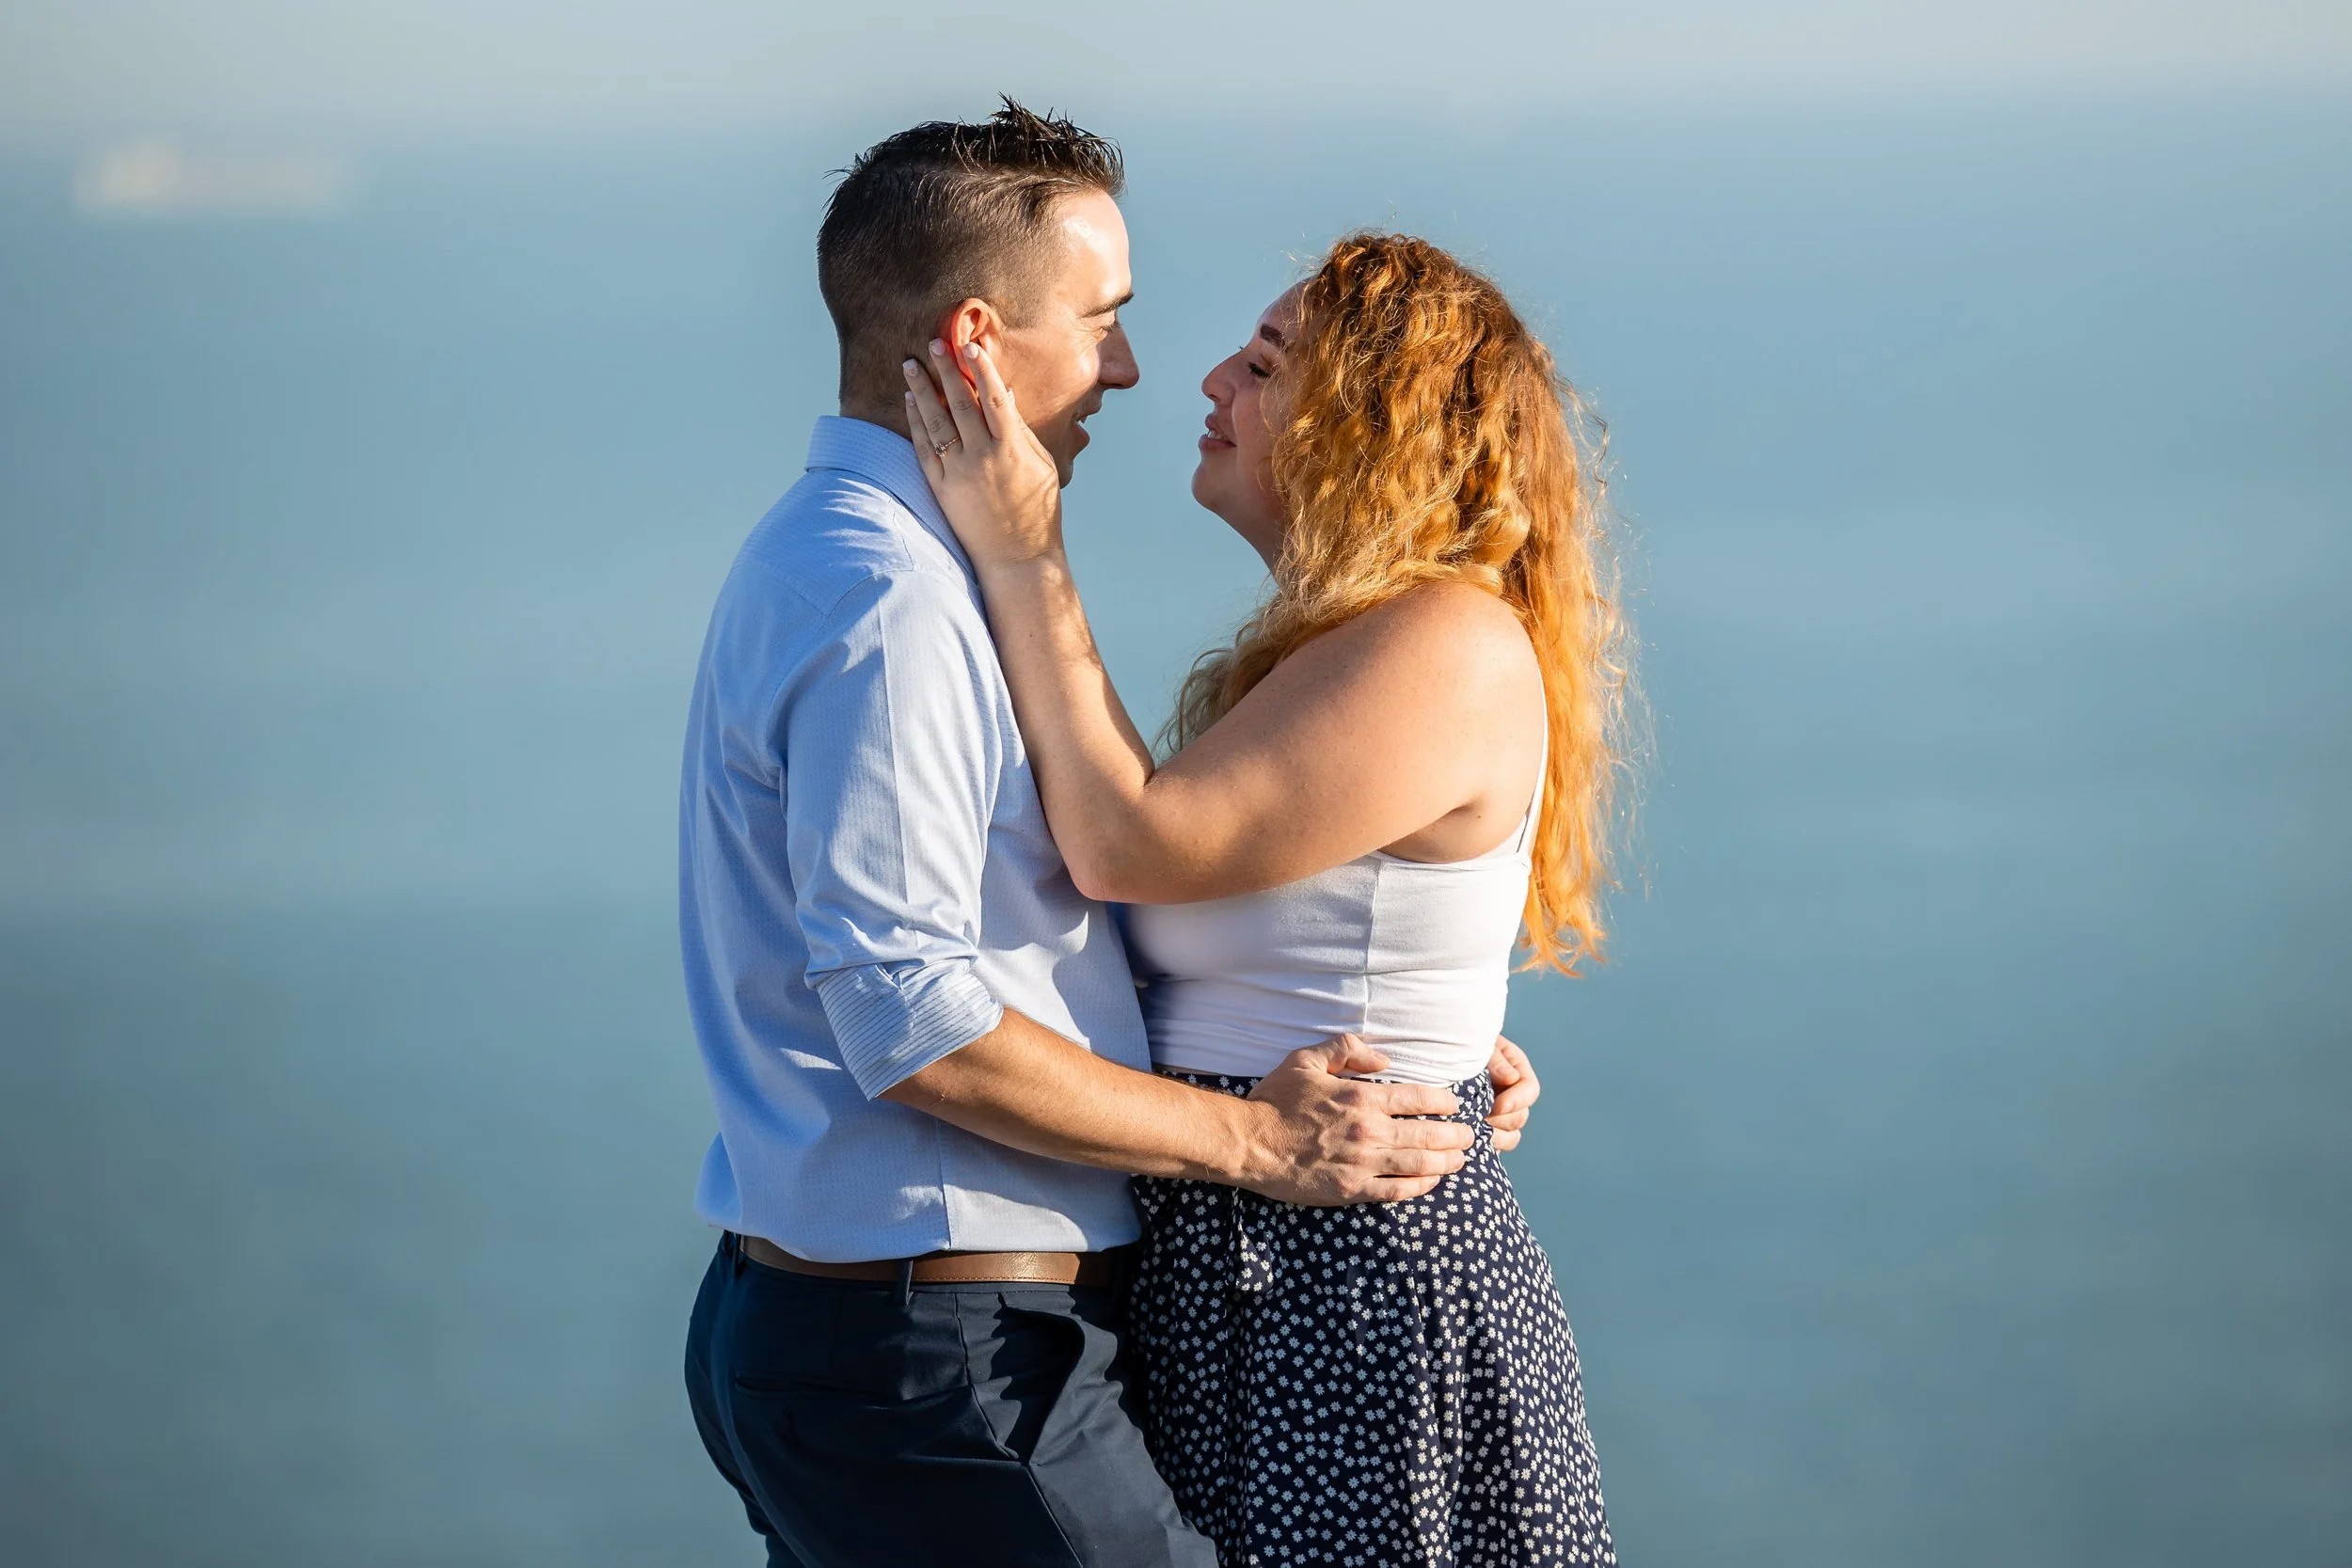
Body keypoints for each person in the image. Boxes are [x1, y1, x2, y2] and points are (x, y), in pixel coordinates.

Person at [676, 102, 1540, 1568]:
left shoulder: (892, 570)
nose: (1138, 367)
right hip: (950, 1351)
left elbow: (1106, 899)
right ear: (974, 341)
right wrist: (1251, 1135)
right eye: (1102, 318)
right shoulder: (896, 600)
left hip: (956, 1336)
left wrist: (1425, 1033)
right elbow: (916, 1014)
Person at [905, 230, 1632, 1565]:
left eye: (1265, 362)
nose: (1210, 383)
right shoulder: (1347, 651)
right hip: (1254, 1268)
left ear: (1376, 417)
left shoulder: (1444, 641)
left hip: (1345, 1293)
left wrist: (1024, 555)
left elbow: (1129, 843)